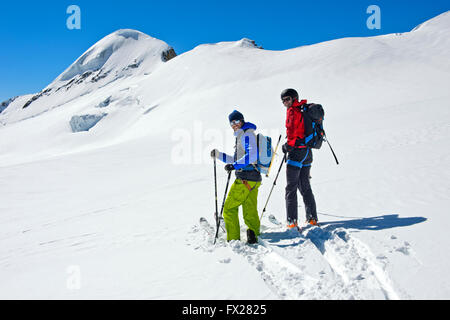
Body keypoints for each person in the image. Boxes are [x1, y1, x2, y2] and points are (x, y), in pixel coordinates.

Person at [210, 110, 262, 244]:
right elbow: (236, 159)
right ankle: (254, 233)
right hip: (254, 179)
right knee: (249, 209)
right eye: (232, 123)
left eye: (237, 121)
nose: (234, 124)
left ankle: (233, 239)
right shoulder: (245, 134)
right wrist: (219, 155)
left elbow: (252, 156)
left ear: (242, 120)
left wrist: (235, 166)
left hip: (244, 178)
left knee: (229, 208)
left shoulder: (246, 135)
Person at [280, 89, 318, 229]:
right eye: (283, 100)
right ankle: (312, 218)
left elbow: (292, 132)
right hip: (307, 153)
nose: (285, 102)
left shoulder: (293, 111)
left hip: (297, 153)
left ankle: (291, 222)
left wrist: (287, 146)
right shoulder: (303, 109)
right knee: (305, 186)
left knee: (291, 188)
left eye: (287, 99)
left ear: (294, 98)